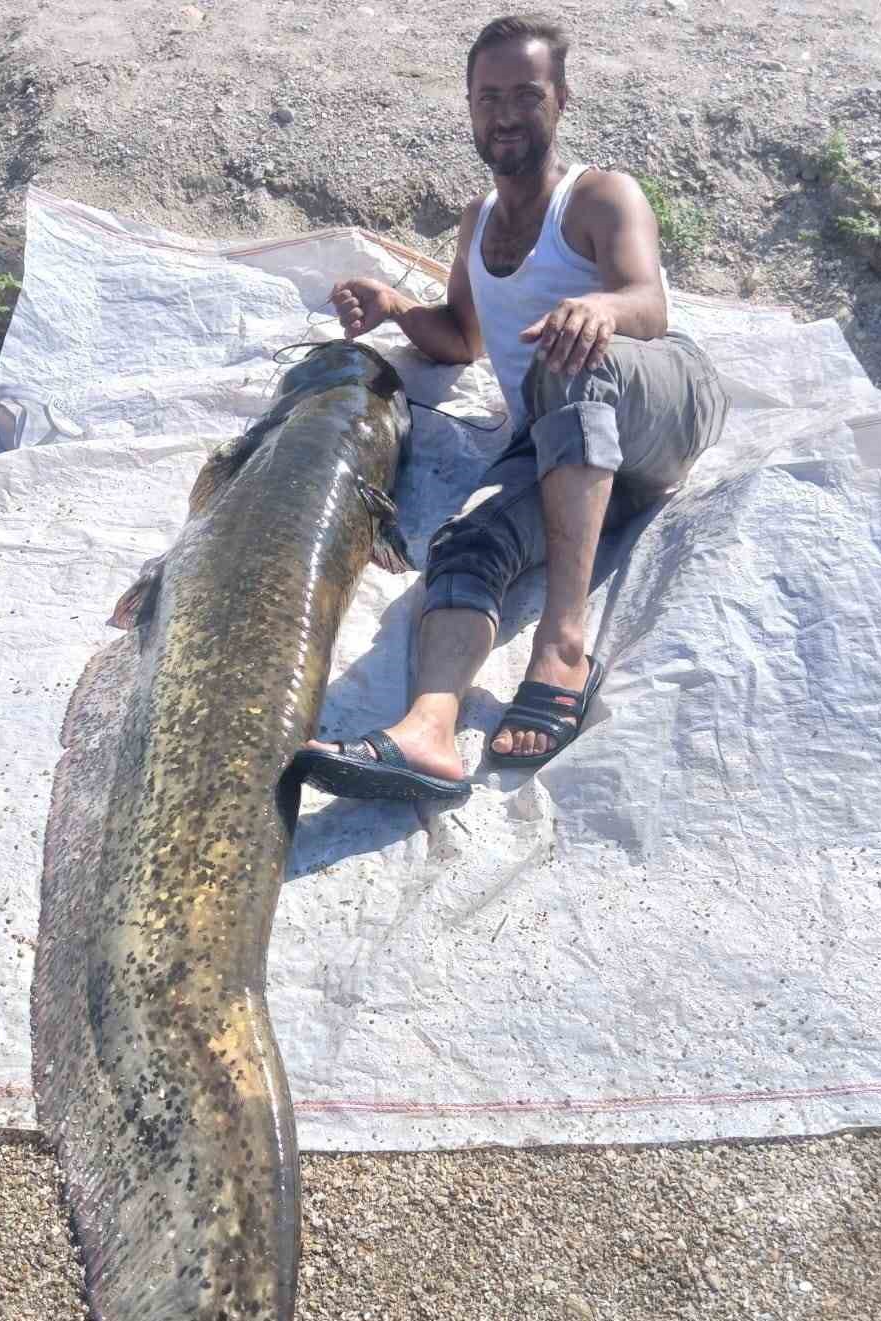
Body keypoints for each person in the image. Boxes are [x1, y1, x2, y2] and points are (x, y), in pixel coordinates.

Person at [292, 13, 728, 801]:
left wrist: (601, 309)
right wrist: (394, 304)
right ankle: (427, 731)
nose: (505, 114)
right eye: (488, 97)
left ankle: (564, 646)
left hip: (660, 402)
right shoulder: (477, 222)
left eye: (525, 95)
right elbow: (462, 338)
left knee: (568, 365)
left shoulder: (598, 196)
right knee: (464, 543)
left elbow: (649, 303)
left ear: (559, 100)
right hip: (574, 453)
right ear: (467, 106)